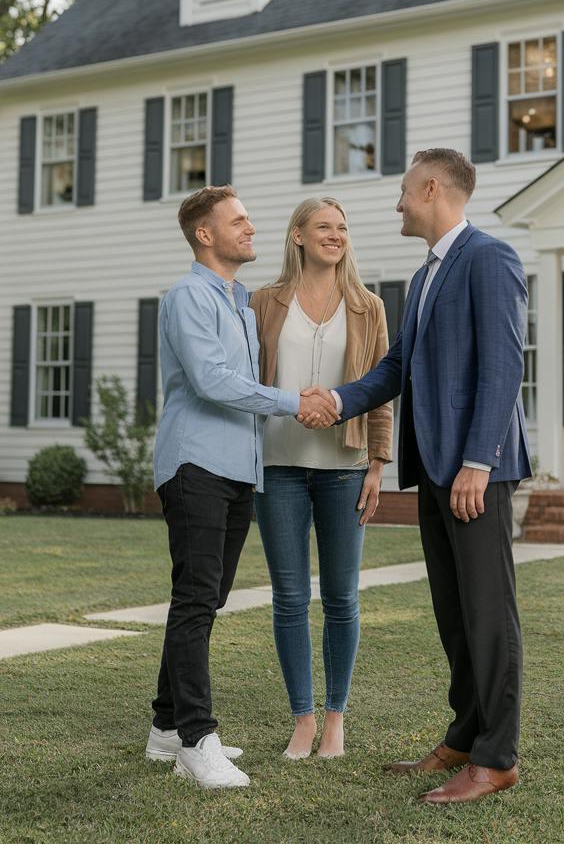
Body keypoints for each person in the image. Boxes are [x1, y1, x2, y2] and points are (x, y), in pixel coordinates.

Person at [306, 148, 531, 804]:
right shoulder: (428, 273)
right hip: (435, 469)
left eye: (404, 191)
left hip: (473, 471)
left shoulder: (489, 258)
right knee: (454, 612)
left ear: (432, 188)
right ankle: (465, 734)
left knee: (488, 612)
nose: (397, 204)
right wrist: (337, 401)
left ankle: (497, 757)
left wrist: (478, 460)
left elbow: (502, 364)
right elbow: (393, 367)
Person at [146, 185, 337, 790]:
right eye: (239, 221)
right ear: (206, 234)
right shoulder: (188, 297)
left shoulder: (238, 302)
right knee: (196, 599)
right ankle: (198, 740)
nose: (251, 228)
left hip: (236, 471)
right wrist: (291, 402)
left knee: (205, 597)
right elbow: (212, 381)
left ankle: (164, 728)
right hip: (195, 464)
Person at [250, 197, 393, 760]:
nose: (336, 236)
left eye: (343, 228)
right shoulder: (263, 302)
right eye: (324, 228)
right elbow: (246, 382)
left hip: (345, 468)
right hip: (277, 467)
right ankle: (302, 719)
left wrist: (379, 465)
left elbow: (382, 390)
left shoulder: (368, 308)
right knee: (289, 598)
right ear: (298, 237)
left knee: (341, 598)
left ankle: (336, 717)